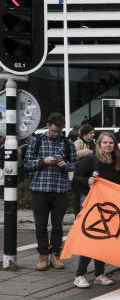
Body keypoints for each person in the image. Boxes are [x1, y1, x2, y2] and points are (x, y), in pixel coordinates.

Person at [72, 132, 120, 288]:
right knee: (91, 236)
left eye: (111, 143)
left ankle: (99, 274)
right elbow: (76, 178)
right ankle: (80, 274)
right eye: (105, 142)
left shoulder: (117, 161)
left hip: (110, 205)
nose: (108, 145)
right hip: (91, 203)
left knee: (105, 238)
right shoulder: (90, 160)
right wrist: (88, 180)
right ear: (99, 145)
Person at [24, 113, 77, 271]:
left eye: (59, 132)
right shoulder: (36, 142)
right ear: (48, 126)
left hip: (60, 189)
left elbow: (76, 164)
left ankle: (56, 254)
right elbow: (26, 163)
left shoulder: (68, 143)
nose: (56, 134)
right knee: (40, 225)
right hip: (39, 189)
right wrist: (43, 161)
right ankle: (43, 256)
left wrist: (65, 164)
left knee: (57, 225)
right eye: (54, 131)